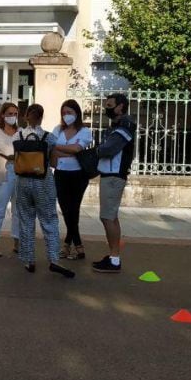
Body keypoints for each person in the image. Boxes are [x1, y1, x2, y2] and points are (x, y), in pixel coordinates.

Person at [12, 104, 75, 278]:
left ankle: (29, 260)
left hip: (22, 182)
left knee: (25, 220)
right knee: (49, 220)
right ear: (41, 117)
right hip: (43, 182)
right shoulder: (49, 138)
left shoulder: (17, 136)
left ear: (26, 117)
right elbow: (54, 162)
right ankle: (54, 259)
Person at [92, 93, 136, 274]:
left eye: (110, 105)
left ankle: (115, 259)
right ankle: (113, 257)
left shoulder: (124, 126)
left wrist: (97, 150)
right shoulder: (119, 126)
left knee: (107, 217)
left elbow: (108, 149)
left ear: (121, 107)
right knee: (111, 217)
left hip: (113, 175)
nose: (106, 108)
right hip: (111, 174)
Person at [52, 99, 93, 260]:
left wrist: (61, 149)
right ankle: (77, 245)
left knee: (73, 209)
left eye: (69, 112)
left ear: (77, 113)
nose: (66, 116)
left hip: (78, 175)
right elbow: (52, 151)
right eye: (63, 113)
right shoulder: (57, 129)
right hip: (61, 174)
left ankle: (69, 245)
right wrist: (70, 152)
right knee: (66, 210)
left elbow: (78, 148)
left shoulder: (84, 131)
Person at [0, 102, 21, 257]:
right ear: (2, 115)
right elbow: (6, 150)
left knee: (18, 210)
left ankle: (17, 241)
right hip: (4, 172)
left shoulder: (21, 131)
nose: (12, 117)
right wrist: (19, 153)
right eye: (9, 114)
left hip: (20, 173)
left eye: (15, 114)